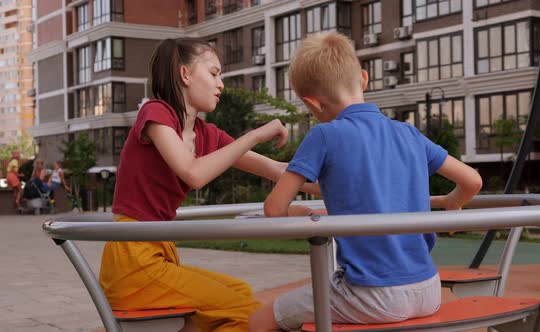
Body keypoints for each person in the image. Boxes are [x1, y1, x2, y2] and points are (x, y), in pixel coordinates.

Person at [249, 32, 483, 331]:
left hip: (371, 295)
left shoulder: (324, 135)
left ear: (312, 103)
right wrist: (453, 203)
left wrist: (308, 214)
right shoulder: (407, 133)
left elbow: (275, 209)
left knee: (259, 320)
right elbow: (472, 181)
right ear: (363, 79)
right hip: (428, 288)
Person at [98, 37, 319, 332]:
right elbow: (193, 173)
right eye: (214, 73)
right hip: (132, 259)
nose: (221, 84)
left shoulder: (207, 135)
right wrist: (254, 135)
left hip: (160, 253)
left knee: (239, 292)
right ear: (185, 74)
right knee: (249, 313)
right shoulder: (156, 114)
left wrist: (341, 186)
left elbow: (279, 170)